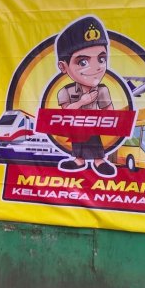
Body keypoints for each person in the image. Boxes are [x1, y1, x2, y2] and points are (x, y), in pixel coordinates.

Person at [55, 15, 116, 178]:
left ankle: (99, 160)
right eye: (83, 62)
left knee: (93, 136)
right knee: (78, 135)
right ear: (63, 66)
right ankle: (78, 159)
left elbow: (110, 111)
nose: (96, 68)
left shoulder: (102, 90)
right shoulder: (65, 91)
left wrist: (107, 119)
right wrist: (82, 102)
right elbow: (65, 112)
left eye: (102, 59)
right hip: (76, 125)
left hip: (94, 126)